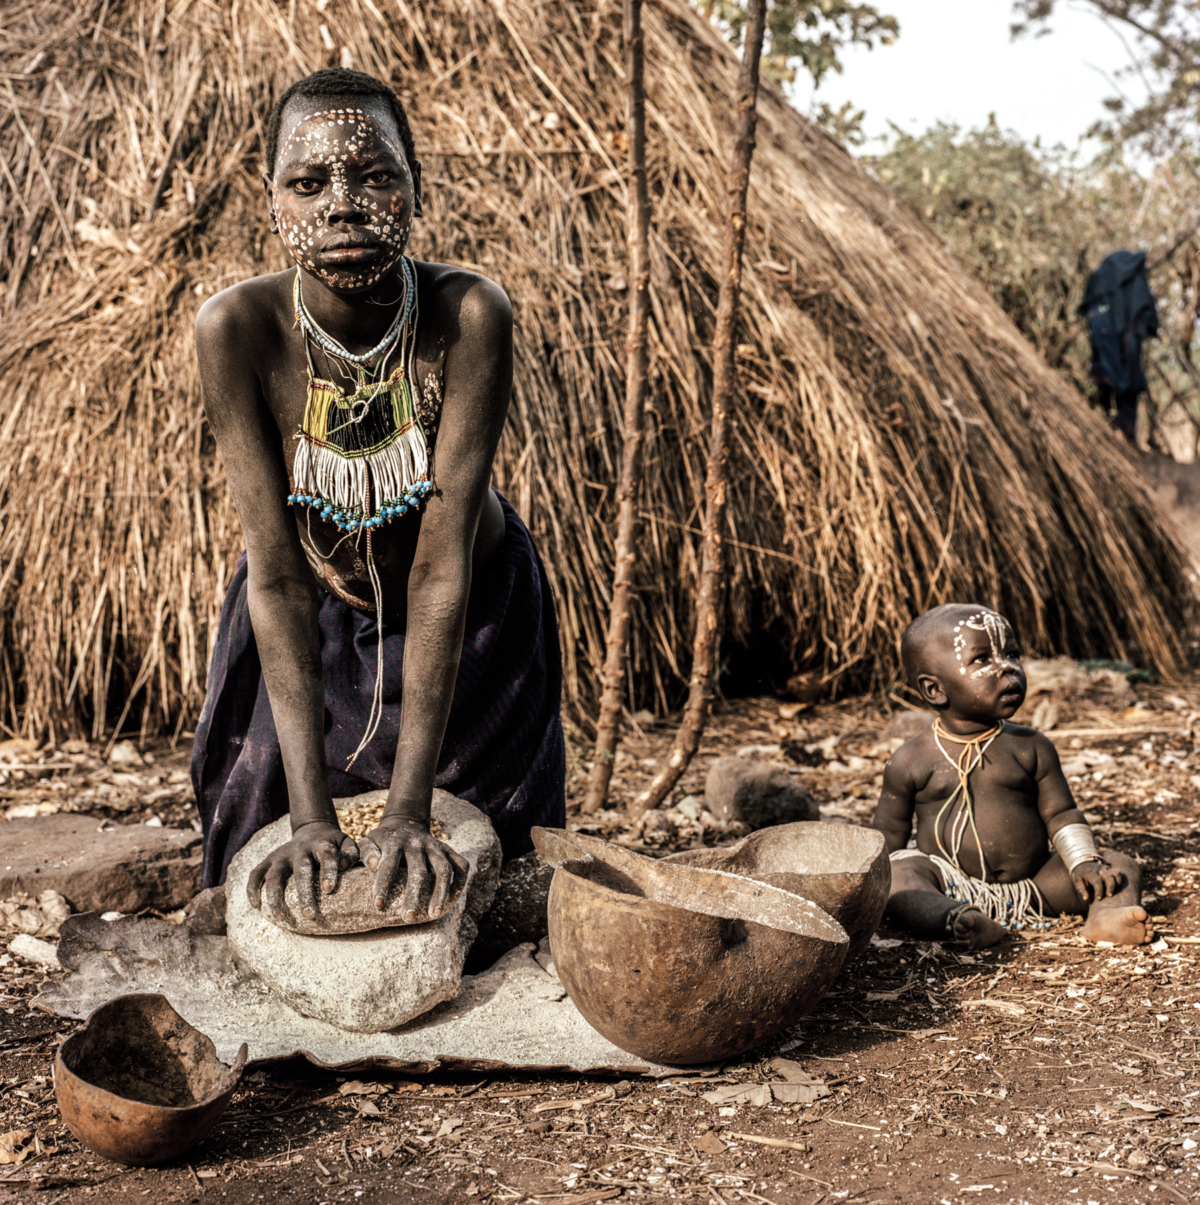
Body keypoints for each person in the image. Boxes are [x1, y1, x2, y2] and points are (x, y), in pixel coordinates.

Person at [191, 68, 565, 925]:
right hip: (305, 604)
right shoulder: (237, 331)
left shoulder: (470, 315)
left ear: (417, 188)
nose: (343, 204)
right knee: (267, 865)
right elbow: (276, 578)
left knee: (488, 889)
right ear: (272, 197)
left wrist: (408, 811)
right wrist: (313, 815)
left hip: (470, 612)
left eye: (376, 176)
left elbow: (439, 571)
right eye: (309, 182)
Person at [872, 604, 1147, 950]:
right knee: (899, 877)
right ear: (934, 690)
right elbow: (888, 837)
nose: (1008, 669)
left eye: (1012, 654)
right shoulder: (911, 759)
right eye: (982, 660)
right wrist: (869, 890)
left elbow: (1061, 814)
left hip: (1035, 887)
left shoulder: (1030, 746)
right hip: (950, 884)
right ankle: (957, 919)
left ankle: (1105, 917)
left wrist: (1082, 862)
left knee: (1119, 866)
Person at [1079, 249, 1159, 443]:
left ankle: (1123, 432)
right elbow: (1146, 312)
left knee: (1121, 382)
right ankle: (1120, 430)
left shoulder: (1102, 280)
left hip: (1115, 346)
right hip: (1120, 345)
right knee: (1123, 382)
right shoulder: (1132, 278)